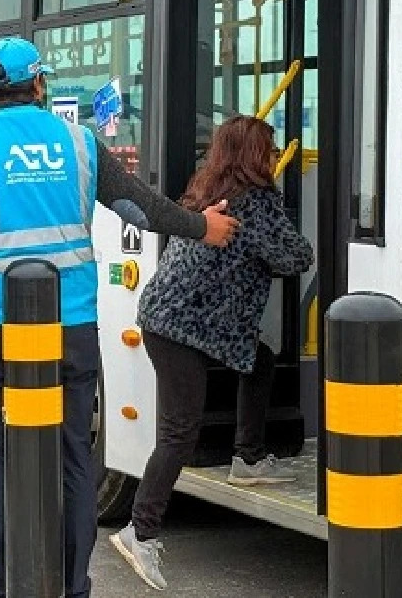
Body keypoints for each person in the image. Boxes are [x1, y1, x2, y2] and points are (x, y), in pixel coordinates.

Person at [0, 36, 240, 598]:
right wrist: (203, 228)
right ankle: (72, 584)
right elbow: (140, 208)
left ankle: (11, 584)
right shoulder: (80, 142)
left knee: (3, 462)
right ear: (39, 84)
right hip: (68, 329)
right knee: (71, 458)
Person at [109, 115, 314, 591]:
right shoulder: (257, 202)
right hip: (186, 328)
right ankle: (139, 532)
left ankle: (248, 457)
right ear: (254, 155)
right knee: (179, 433)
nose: (275, 152)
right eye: (269, 146)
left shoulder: (205, 190)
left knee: (259, 361)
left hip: (176, 320)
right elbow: (296, 257)